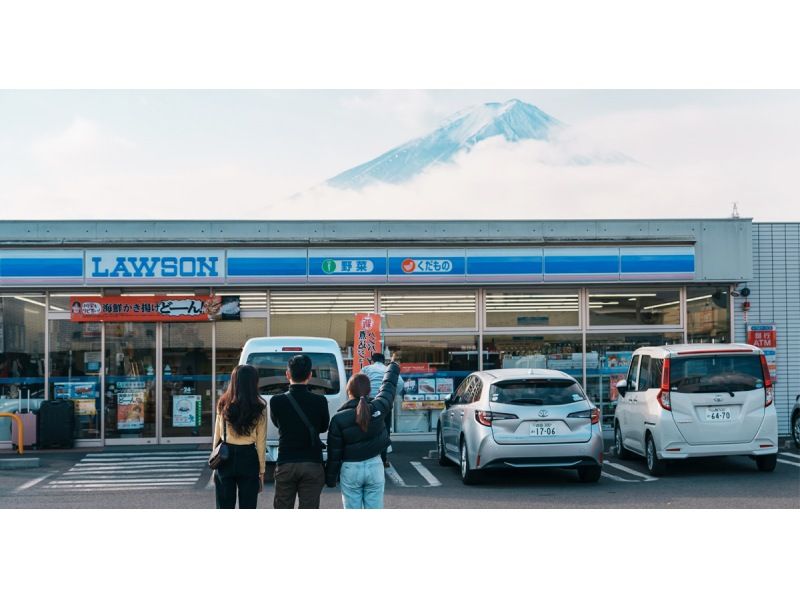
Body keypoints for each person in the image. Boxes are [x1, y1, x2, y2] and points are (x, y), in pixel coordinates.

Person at [325, 358, 401, 509]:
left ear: (349, 392)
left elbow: (334, 453)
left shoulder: (338, 419)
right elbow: (388, 388)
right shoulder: (378, 408)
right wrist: (393, 365)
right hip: (375, 466)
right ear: (369, 390)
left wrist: (331, 479)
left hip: (350, 469)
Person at [269, 354, 330, 509]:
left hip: (286, 462)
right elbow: (323, 427)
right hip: (312, 463)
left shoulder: (276, 401)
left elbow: (277, 423)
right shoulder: (320, 401)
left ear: (287, 374)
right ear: (310, 375)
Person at [212, 364, 267, 509]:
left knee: (224, 506)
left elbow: (217, 435)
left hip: (225, 455)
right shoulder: (260, 407)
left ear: (233, 381)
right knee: (248, 505)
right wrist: (261, 471)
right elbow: (261, 442)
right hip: (249, 456)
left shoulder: (223, 403)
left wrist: (214, 460)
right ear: (253, 382)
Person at [360, 352, 404, 467]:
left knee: (367, 428)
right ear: (384, 361)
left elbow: (358, 382)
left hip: (369, 402)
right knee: (384, 430)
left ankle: (367, 457)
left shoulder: (366, 369)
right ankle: (383, 460)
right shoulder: (387, 369)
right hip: (385, 402)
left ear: (372, 360)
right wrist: (391, 395)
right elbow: (400, 383)